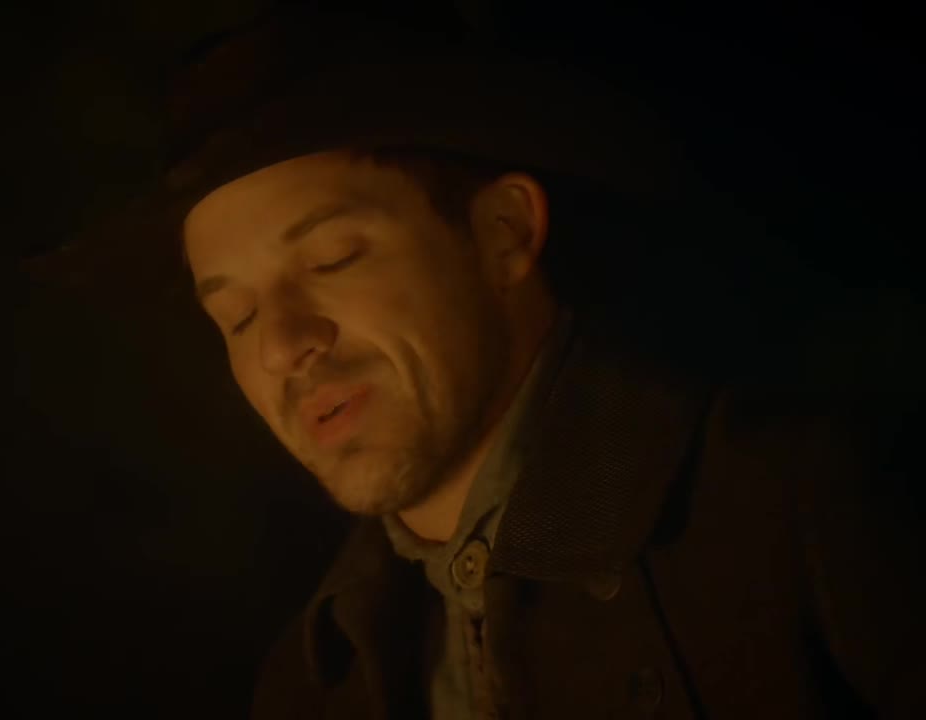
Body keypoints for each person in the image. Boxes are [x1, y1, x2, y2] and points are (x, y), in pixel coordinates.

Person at [147, 5, 924, 719]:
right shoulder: (309, 686)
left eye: (333, 257)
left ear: (503, 233)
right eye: (236, 316)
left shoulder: (805, 506)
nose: (280, 346)